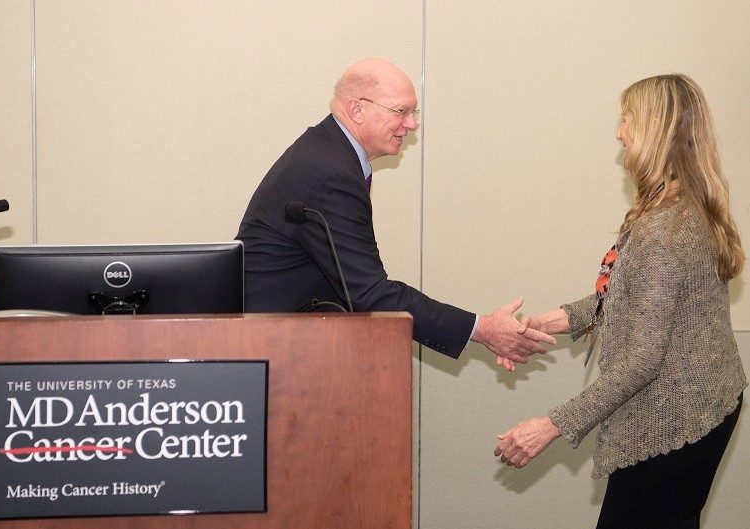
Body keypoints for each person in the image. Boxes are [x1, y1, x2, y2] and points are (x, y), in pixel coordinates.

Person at [493, 74, 746, 528]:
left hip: (678, 417)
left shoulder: (665, 230)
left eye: (626, 119)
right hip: (704, 403)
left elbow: (643, 358)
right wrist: (552, 322)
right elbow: (632, 295)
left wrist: (551, 425)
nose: (619, 132)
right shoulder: (677, 208)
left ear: (654, 129)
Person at [236, 57, 555, 366]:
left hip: (290, 346)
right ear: (357, 109)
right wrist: (481, 329)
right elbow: (371, 294)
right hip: (273, 355)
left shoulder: (329, 152)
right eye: (401, 111)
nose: (412, 124)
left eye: (413, 112)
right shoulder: (331, 173)